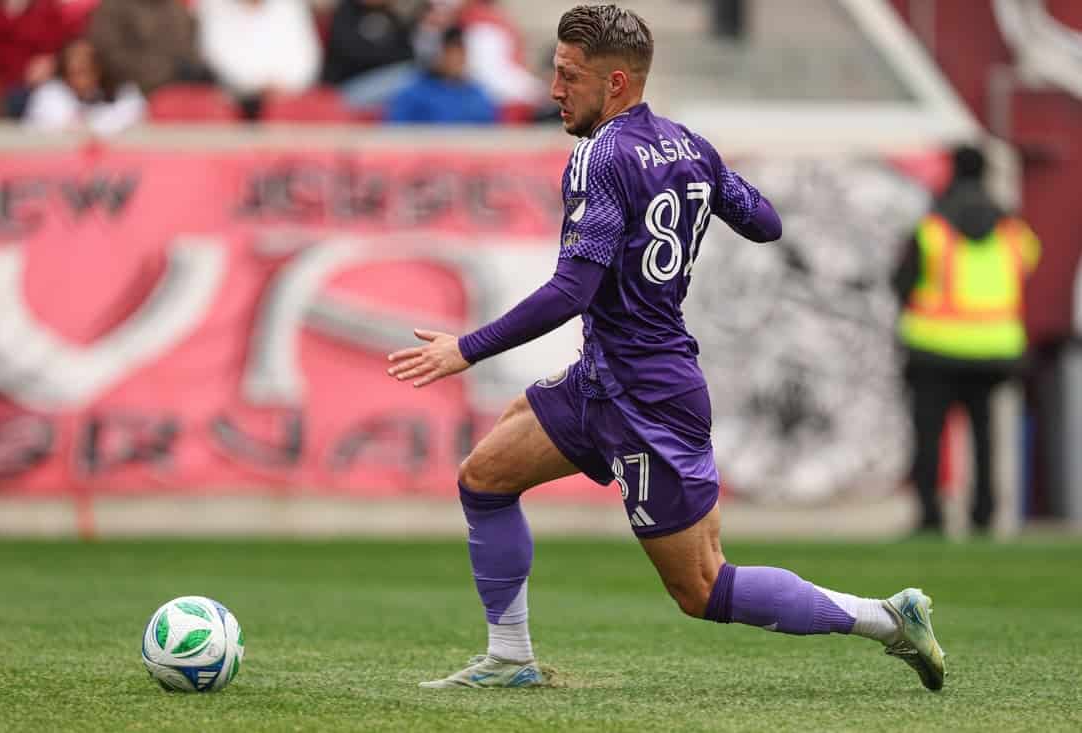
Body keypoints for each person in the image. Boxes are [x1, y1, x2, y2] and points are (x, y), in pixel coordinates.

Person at [387, 4, 947, 692]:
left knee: (703, 587)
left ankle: (888, 617)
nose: (553, 89)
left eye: (568, 76)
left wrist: (466, 348)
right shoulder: (690, 146)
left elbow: (571, 290)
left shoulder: (599, 157)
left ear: (616, 83)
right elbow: (766, 223)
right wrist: (706, 185)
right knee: (485, 475)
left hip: (649, 397)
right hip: (605, 379)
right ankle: (510, 657)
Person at [892, 144, 1040, 535]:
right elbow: (1028, 264)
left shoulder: (932, 228)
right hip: (993, 350)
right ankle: (984, 514)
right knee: (985, 435)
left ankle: (930, 516)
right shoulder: (1012, 230)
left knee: (929, 436)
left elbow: (901, 284)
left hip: (933, 348)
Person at [23, 37, 145, 135]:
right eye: (74, 72)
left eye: (86, 69)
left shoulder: (123, 91)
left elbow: (134, 111)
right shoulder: (49, 94)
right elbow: (68, 126)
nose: (81, 78)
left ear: (98, 70)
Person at [88, 0, 207, 96]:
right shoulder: (113, 7)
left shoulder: (177, 9)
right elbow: (109, 55)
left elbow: (190, 50)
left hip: (182, 93)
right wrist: (165, 74)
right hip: (129, 97)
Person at [384, 24, 495, 125]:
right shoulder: (414, 94)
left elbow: (491, 134)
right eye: (449, 53)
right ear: (438, 55)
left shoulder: (478, 95)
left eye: (460, 53)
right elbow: (396, 133)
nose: (454, 60)